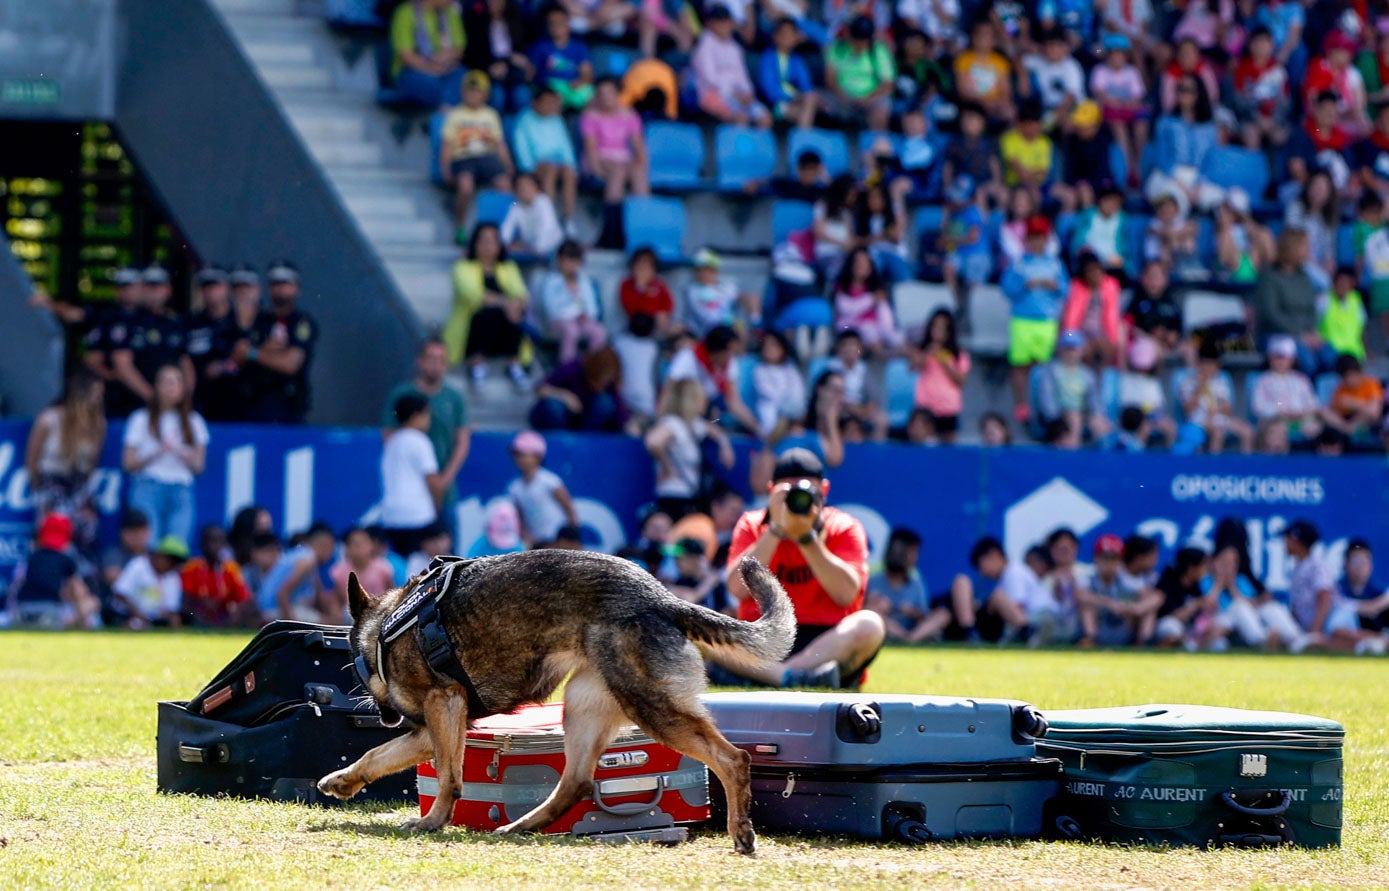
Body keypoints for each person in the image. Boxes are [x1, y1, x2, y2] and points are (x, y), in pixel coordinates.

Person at [714, 449, 883, 689]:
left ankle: (775, 677)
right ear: (772, 492)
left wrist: (806, 538)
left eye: (805, 492)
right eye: (787, 493)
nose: (796, 500)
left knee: (870, 624)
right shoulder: (752, 524)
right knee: (702, 628)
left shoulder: (843, 527)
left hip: (826, 641)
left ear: (823, 491)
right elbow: (736, 589)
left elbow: (845, 595)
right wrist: (774, 530)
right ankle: (795, 679)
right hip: (765, 637)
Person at [381, 337, 471, 530]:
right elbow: (388, 436)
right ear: (419, 360)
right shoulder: (401, 394)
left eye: (441, 359)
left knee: (447, 554)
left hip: (445, 490)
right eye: (431, 358)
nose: (436, 364)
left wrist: (444, 480)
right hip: (411, 494)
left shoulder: (454, 398)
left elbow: (462, 441)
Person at [24, 369, 106, 563]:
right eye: (95, 392)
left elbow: (94, 461)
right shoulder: (48, 418)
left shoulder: (98, 423)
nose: (98, 398)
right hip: (51, 483)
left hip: (79, 485)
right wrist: (42, 491)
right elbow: (32, 459)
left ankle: (80, 586)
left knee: (85, 534)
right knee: (53, 536)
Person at [122, 365, 209, 546]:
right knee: (148, 546)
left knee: (176, 547)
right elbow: (128, 463)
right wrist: (157, 452)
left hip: (180, 489)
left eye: (175, 382)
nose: (170, 387)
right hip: (147, 486)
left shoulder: (195, 422)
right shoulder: (140, 419)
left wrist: (178, 452)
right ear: (156, 387)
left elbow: (199, 466)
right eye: (165, 382)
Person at [447, 223, 532, 383]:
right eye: (484, 241)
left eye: (493, 241)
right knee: (490, 311)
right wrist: (507, 302)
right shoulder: (462, 267)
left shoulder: (508, 267)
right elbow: (474, 295)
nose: (488, 246)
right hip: (472, 329)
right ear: (475, 243)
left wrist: (515, 304)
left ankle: (513, 363)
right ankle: (477, 362)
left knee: (515, 311)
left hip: (503, 328)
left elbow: (521, 294)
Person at [1003, 215, 1069, 422]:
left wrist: (1054, 286)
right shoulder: (1019, 264)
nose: (1036, 242)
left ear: (1046, 239)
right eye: (1032, 237)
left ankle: (1043, 405)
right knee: (1020, 365)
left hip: (1047, 321)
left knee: (1043, 366)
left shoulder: (1055, 265)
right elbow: (1006, 289)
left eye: (1040, 237)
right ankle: (1021, 405)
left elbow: (1066, 290)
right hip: (1022, 319)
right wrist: (1024, 285)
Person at [1284, 519, 1385, 653]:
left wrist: (1314, 630)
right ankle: (1370, 645)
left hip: (1335, 614)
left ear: (1297, 541)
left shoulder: (1316, 566)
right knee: (1328, 641)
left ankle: (1382, 641)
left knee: (1338, 633)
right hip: (1322, 623)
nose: (1284, 542)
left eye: (1287, 538)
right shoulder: (1298, 568)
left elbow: (1325, 599)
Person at [236, 261, 317, 423]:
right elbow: (238, 355)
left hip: (288, 406)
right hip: (253, 403)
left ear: (297, 288)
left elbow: (290, 364)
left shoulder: (301, 322)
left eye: (285, 283)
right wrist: (270, 352)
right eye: (275, 283)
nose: (280, 288)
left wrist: (254, 352)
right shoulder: (258, 319)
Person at [645, 378, 736, 520]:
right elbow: (653, 442)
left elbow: (715, 431)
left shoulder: (693, 425)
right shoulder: (672, 423)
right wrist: (667, 467)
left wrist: (725, 446)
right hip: (674, 496)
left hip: (689, 495)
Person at [380, 394, 458, 557]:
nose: (429, 419)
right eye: (427, 414)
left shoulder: (392, 442)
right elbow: (433, 481)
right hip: (419, 516)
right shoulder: (420, 441)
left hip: (391, 517)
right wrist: (437, 510)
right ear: (416, 416)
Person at [440, 70, 514, 240]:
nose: (473, 95)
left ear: (486, 94)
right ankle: (459, 226)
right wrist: (445, 169)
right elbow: (447, 144)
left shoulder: (491, 115)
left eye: (477, 91)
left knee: (506, 187)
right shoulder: (454, 114)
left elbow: (499, 144)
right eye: (469, 90)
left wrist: (508, 166)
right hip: (463, 158)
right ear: (462, 92)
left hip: (487, 157)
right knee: (465, 187)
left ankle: (503, 229)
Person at [580, 77, 649, 246]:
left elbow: (639, 146)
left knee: (637, 173)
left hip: (622, 159)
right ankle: (611, 233)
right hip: (599, 159)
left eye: (610, 93)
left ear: (618, 94)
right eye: (601, 94)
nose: (606, 98)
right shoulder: (590, 117)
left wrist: (642, 165)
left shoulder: (629, 115)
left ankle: (642, 230)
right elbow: (591, 149)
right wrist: (598, 171)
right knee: (618, 171)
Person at [1202, 543, 1309, 651]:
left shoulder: (1241, 580)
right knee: (1239, 607)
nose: (1228, 567)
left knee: (1270, 608)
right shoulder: (1207, 581)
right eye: (1224, 562)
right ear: (1215, 562)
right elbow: (1207, 606)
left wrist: (1232, 587)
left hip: (1244, 619)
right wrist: (1219, 583)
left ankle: (1296, 639)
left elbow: (1252, 605)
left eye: (1232, 563)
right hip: (1220, 620)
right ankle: (1261, 640)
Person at [3, 514, 100, 630]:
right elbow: (78, 591)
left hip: (21, 611)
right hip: (49, 612)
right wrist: (84, 619)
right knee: (93, 603)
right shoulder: (65, 560)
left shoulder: (31, 558)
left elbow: (16, 587)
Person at [662, 325, 761, 435]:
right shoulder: (687, 358)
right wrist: (661, 422)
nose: (732, 355)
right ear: (718, 350)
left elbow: (733, 402)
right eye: (730, 351)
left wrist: (757, 428)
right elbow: (668, 392)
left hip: (709, 417)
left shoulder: (730, 363)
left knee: (719, 419)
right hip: (682, 414)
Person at [1253, 228, 1324, 372]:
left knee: (1331, 356)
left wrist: (1312, 331)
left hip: (1305, 334)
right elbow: (1271, 314)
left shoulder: (1303, 276)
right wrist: (1299, 334)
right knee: (1308, 362)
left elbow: (1311, 309)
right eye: (1305, 245)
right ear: (1292, 247)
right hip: (1276, 334)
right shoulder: (1269, 277)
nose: (1308, 249)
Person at [1076, 534, 1162, 646]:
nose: (1109, 563)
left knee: (1149, 609)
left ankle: (1141, 644)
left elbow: (1157, 597)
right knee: (1087, 607)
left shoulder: (1126, 579)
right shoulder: (1087, 577)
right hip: (1099, 627)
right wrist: (1109, 603)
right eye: (1106, 557)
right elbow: (1080, 595)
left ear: (1121, 561)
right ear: (1096, 558)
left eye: (1114, 558)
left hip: (1122, 626)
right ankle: (1090, 641)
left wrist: (1134, 608)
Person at [511, 87, 579, 227]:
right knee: (550, 170)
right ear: (535, 103)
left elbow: (566, 147)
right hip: (537, 164)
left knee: (570, 173)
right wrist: (529, 168)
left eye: (552, 103)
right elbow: (521, 147)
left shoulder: (557, 120)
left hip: (558, 161)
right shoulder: (524, 119)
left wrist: (571, 164)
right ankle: (549, 218)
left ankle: (568, 219)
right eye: (546, 102)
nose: (550, 106)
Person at [867, 527, 949, 643]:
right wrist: (876, 604)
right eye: (912, 552)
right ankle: (905, 638)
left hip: (912, 629)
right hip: (886, 627)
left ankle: (910, 639)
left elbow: (924, 614)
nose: (915, 558)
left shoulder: (916, 580)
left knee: (942, 614)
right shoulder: (874, 579)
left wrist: (912, 612)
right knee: (872, 612)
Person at [691, 5, 769, 127]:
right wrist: (734, 94)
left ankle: (758, 146)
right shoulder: (704, 46)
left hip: (737, 96)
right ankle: (734, 146)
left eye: (726, 22)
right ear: (711, 24)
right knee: (741, 117)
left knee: (764, 117)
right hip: (712, 95)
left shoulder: (735, 48)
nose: (724, 26)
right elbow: (710, 79)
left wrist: (747, 93)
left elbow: (742, 76)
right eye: (720, 22)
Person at [948, 537, 1037, 643]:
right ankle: (970, 633)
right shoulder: (1003, 578)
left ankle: (1029, 634)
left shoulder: (1014, 572)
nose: (982, 573)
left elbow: (1017, 607)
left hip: (1032, 619)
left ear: (994, 555)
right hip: (1000, 623)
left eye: (981, 566)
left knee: (997, 596)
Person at [530, 345, 635, 433]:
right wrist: (565, 396)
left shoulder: (608, 384)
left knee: (605, 403)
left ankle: (586, 441)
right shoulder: (574, 368)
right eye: (600, 381)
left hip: (583, 425)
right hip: (560, 418)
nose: (602, 385)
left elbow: (621, 411)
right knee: (553, 406)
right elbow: (540, 389)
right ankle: (560, 440)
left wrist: (631, 428)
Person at [1035, 329, 1110, 448]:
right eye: (1067, 348)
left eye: (1074, 348)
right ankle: (1073, 454)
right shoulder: (1051, 371)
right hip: (1056, 417)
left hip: (1080, 415)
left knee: (1101, 425)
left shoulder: (1087, 374)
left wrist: (1096, 416)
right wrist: (1060, 418)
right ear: (1061, 350)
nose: (1070, 352)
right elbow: (1047, 400)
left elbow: (1094, 400)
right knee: (1073, 420)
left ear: (1081, 351)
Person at [1179, 341, 1255, 454]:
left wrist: (1217, 410)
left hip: (1219, 417)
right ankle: (1214, 468)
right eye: (1206, 364)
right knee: (1217, 432)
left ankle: (1246, 468)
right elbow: (1188, 410)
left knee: (1248, 431)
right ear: (1199, 364)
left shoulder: (1221, 381)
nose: (1210, 368)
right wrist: (1200, 386)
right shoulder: (1188, 382)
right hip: (1198, 420)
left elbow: (1228, 408)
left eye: (1213, 365)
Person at [506, 430, 578, 547]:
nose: (518, 458)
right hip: (537, 544)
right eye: (516, 454)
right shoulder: (514, 488)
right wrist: (527, 539)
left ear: (537, 457)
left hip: (559, 541)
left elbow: (568, 507)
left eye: (523, 454)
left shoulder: (550, 481)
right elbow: (520, 518)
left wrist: (573, 535)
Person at [388, 0, 466, 107]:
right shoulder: (405, 13)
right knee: (433, 85)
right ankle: (447, 114)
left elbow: (459, 48)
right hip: (412, 71)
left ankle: (445, 112)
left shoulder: (450, 12)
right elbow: (406, 55)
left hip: (446, 68)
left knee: (464, 77)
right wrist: (430, 67)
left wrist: (445, 57)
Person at [1250, 335, 1324, 447]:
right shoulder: (1263, 380)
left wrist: (1300, 412)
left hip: (1300, 419)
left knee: (1315, 428)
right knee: (1277, 429)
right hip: (1274, 420)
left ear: (1292, 360)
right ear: (1270, 358)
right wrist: (1280, 410)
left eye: (1284, 358)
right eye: (1277, 358)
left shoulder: (1301, 380)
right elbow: (1258, 406)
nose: (1280, 362)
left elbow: (1312, 403)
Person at [540, 239, 607, 363]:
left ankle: (592, 367)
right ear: (559, 259)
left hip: (582, 319)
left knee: (599, 332)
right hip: (559, 319)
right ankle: (567, 369)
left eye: (575, 261)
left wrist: (587, 315)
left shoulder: (584, 281)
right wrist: (572, 314)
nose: (571, 265)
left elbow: (591, 305)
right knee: (572, 331)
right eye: (568, 261)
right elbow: (551, 308)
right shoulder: (551, 281)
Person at [824, 15, 894, 132]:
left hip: (870, 98)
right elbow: (830, 79)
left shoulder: (879, 52)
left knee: (882, 107)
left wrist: (866, 98)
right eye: (856, 38)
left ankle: (877, 145)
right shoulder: (837, 49)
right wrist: (842, 96)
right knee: (817, 101)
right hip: (841, 97)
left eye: (863, 40)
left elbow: (888, 84)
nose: (859, 43)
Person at [257, 522, 338, 623]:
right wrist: (291, 625)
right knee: (328, 624)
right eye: (332, 548)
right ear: (326, 544)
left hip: (274, 608)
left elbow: (319, 594)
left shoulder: (304, 555)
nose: (332, 554)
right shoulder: (306, 560)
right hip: (273, 611)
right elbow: (282, 594)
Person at [178, 525, 253, 628]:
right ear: (202, 544)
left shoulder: (231, 569)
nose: (214, 546)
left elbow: (245, 600)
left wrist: (234, 616)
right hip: (197, 620)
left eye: (219, 541)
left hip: (225, 620)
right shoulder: (191, 568)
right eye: (211, 541)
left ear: (224, 545)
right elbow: (185, 603)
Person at [912, 309, 969, 444]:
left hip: (948, 408)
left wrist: (944, 359)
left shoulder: (959, 354)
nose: (938, 331)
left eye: (942, 328)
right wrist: (928, 353)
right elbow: (913, 367)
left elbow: (961, 381)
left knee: (948, 450)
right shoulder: (922, 350)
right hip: (925, 407)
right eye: (935, 326)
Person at [112, 534, 189, 629]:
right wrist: (139, 614)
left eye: (176, 563)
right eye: (170, 560)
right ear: (159, 555)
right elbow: (120, 594)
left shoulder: (172, 576)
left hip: (153, 620)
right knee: (134, 624)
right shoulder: (139, 564)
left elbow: (171, 608)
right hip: (126, 615)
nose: (172, 565)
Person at [529, 4, 595, 111]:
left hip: (573, 86)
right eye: (552, 23)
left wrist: (579, 82)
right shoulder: (540, 47)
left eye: (560, 22)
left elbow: (587, 73)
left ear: (568, 24)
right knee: (551, 95)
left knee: (590, 93)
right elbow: (531, 73)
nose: (556, 27)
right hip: (551, 87)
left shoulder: (578, 47)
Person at [758, 17, 819, 129]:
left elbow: (806, 86)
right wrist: (794, 97)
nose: (787, 38)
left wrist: (802, 97)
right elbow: (770, 91)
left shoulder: (796, 60)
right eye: (784, 34)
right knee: (804, 111)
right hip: (775, 105)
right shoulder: (768, 58)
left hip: (797, 103)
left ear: (796, 38)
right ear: (775, 36)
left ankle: (802, 136)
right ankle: (803, 140)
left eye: (791, 34)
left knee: (811, 99)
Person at [684, 248, 758, 337]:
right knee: (737, 328)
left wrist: (748, 301)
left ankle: (757, 328)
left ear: (716, 271)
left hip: (727, 327)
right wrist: (728, 323)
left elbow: (740, 297)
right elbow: (707, 317)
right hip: (706, 331)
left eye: (708, 269)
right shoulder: (692, 291)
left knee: (751, 300)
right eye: (699, 270)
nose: (704, 273)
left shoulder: (726, 287)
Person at [328, 527, 397, 623]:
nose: (359, 548)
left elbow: (392, 593)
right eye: (355, 544)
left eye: (363, 543)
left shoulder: (383, 568)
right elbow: (335, 601)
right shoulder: (338, 571)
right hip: (350, 617)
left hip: (379, 613)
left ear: (371, 545)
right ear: (347, 548)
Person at [954, 19, 1014, 123]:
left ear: (994, 40)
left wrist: (996, 103)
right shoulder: (963, 59)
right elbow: (962, 91)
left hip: (996, 104)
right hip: (973, 105)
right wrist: (983, 103)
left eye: (987, 35)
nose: (982, 38)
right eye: (979, 34)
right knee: (972, 118)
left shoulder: (1000, 61)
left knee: (1011, 112)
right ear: (973, 37)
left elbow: (1006, 91)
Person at [750, 331, 807, 442]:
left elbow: (799, 392)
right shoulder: (759, 370)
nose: (768, 349)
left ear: (782, 348)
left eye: (773, 345)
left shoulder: (791, 368)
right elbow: (771, 395)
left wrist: (795, 410)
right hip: (771, 412)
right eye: (766, 345)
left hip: (793, 414)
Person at [1153, 546, 1210, 646]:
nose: (1206, 570)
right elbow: (1172, 616)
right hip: (1164, 625)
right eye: (1203, 565)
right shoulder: (1169, 584)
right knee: (1172, 628)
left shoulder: (1196, 587)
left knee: (1219, 644)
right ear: (1191, 568)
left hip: (1189, 630)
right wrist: (1195, 604)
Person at [500, 172, 563, 256]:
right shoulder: (515, 206)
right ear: (516, 191)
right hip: (530, 247)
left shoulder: (543, 201)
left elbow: (548, 227)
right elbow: (507, 227)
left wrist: (538, 247)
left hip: (553, 246)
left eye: (529, 186)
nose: (525, 189)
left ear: (536, 188)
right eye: (521, 187)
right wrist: (505, 244)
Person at [1324, 353, 1384, 439]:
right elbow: (1333, 410)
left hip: (1365, 422)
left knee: (1365, 414)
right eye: (1345, 378)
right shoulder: (1341, 389)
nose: (1349, 381)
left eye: (1351, 376)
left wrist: (1354, 403)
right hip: (1345, 422)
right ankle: (1346, 430)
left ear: (1359, 372)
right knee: (1324, 412)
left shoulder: (1371, 384)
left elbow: (1374, 412)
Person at [619, 246, 676, 336]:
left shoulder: (659, 284)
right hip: (637, 324)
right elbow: (631, 309)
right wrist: (641, 290)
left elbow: (668, 305)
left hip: (659, 323)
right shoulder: (627, 285)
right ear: (633, 267)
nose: (643, 270)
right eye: (640, 266)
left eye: (647, 267)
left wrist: (660, 313)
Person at [1341, 539, 1389, 631]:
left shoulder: (1377, 592)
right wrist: (1374, 606)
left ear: (1371, 566)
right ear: (1345, 565)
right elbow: (1366, 608)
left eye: (1364, 561)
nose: (1360, 567)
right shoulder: (1336, 590)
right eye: (1355, 562)